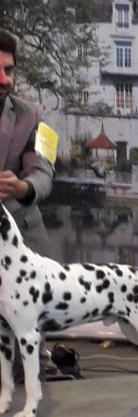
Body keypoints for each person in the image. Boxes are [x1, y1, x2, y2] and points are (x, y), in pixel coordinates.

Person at [0, 29, 54, 254]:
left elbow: (44, 172)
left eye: (8, 70)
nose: (4, 80)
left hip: (25, 243)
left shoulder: (35, 115)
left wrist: (23, 188)